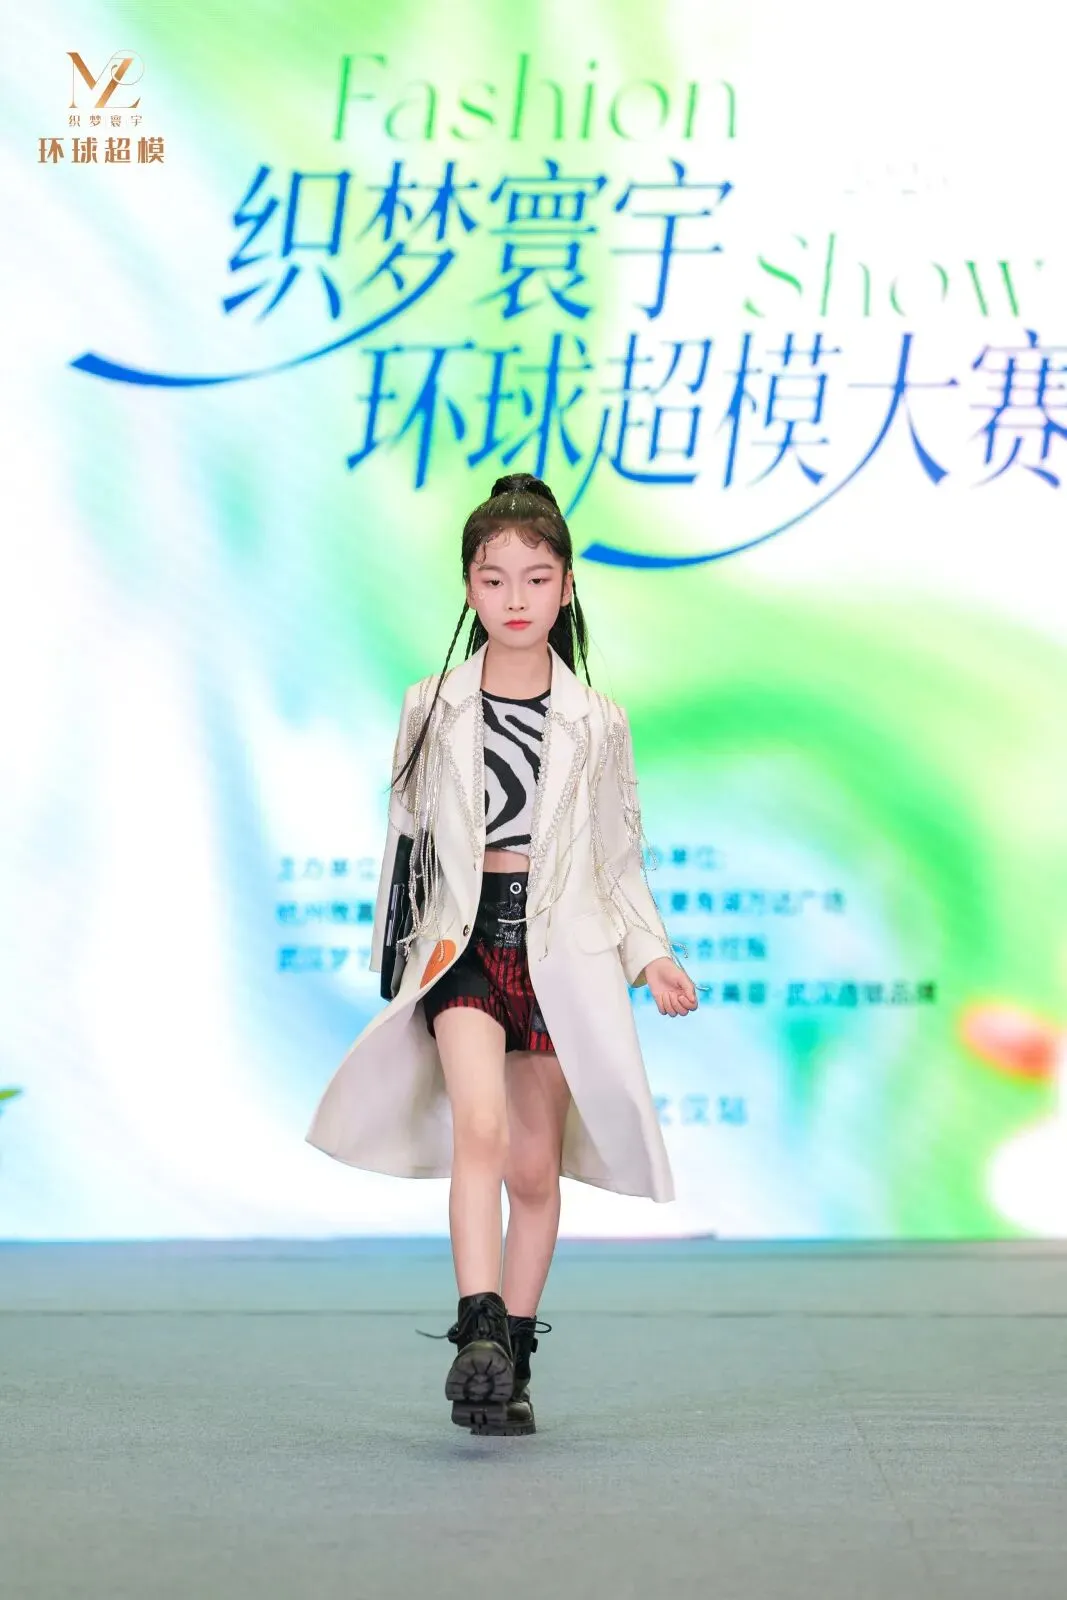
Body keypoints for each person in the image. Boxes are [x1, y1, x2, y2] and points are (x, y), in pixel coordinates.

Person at [306, 472, 698, 1437]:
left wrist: (651, 957)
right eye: (493, 579)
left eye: (534, 578)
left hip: (567, 953)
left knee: (531, 1167)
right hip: (466, 947)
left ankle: (511, 1359)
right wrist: (395, 958)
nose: (514, 598)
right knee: (476, 1130)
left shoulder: (598, 720)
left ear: (565, 587)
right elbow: (404, 841)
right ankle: (476, 1330)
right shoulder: (429, 705)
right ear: (468, 588)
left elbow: (617, 857)